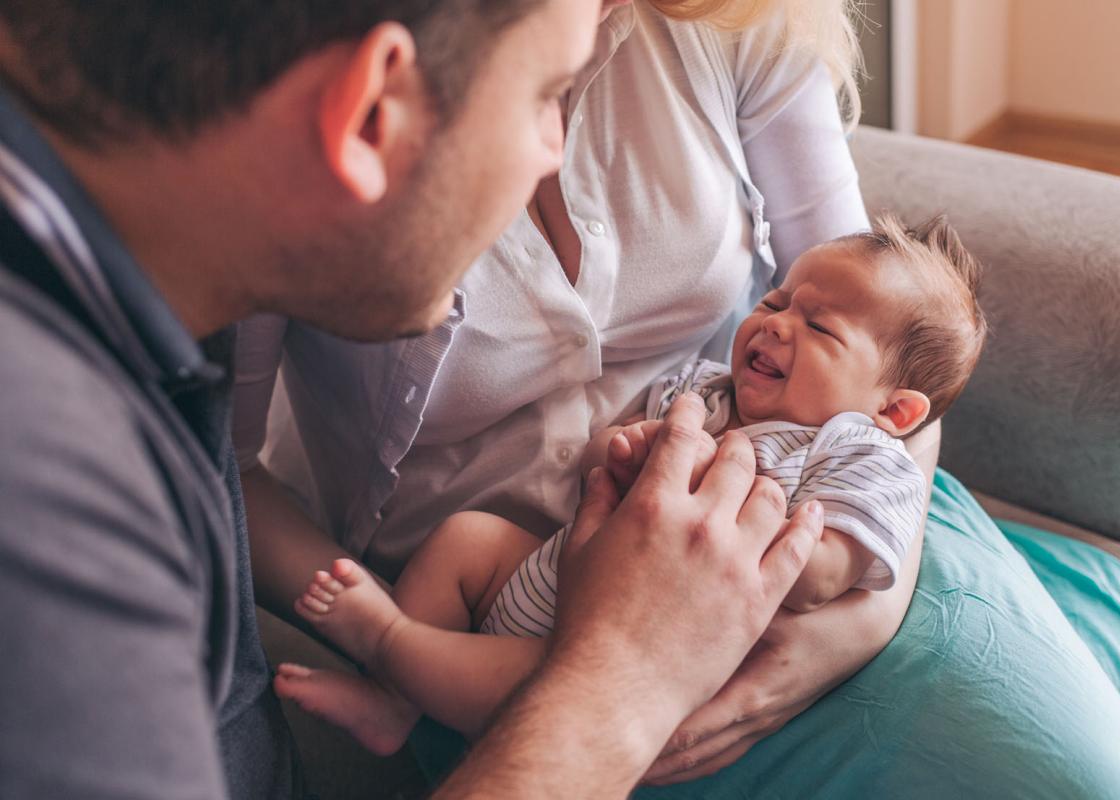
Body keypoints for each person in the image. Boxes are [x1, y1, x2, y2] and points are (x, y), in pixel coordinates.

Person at [0, 1, 821, 798]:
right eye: (545, 97)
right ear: (367, 114)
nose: (556, 151)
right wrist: (629, 677)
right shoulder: (44, 494)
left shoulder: (136, 288)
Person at [272, 213, 988, 750]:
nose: (775, 326)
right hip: (556, 572)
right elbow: (596, 466)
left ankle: (393, 642)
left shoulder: (854, 450)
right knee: (467, 539)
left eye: (820, 328)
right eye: (774, 303)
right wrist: (623, 449)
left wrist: (756, 521)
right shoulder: (703, 392)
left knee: (542, 692)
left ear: (893, 410)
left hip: (635, 639)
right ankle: (391, 706)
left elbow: (832, 570)